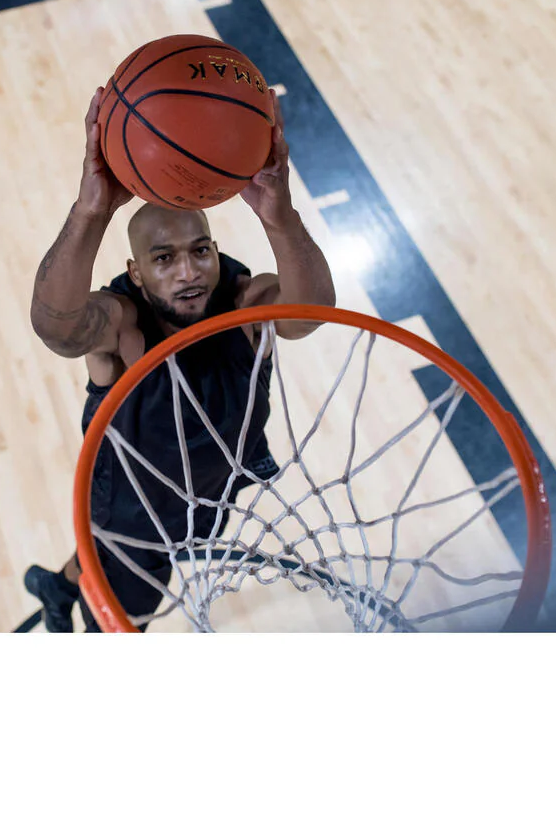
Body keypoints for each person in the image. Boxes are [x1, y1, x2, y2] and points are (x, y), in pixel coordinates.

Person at [25, 83, 335, 631]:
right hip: (132, 496)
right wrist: (91, 211)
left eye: (200, 251)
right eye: (164, 259)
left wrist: (279, 215)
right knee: (124, 618)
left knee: (112, 550)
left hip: (208, 482)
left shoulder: (244, 300)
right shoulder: (124, 324)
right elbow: (59, 329)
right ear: (137, 272)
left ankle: (60, 585)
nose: (189, 272)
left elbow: (309, 316)